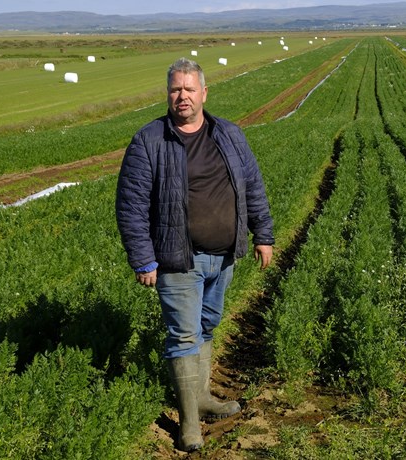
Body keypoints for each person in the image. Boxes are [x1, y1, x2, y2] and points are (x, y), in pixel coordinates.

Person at [115, 57, 274, 451]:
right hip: (177, 259)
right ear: (167, 94)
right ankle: (189, 424)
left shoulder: (230, 135)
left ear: (203, 92)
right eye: (174, 89)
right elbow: (130, 205)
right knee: (183, 334)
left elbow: (252, 186)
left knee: (205, 326)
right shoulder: (149, 140)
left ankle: (202, 398)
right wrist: (143, 258)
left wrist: (263, 234)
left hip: (224, 256)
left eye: (188, 89)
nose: (181, 96)